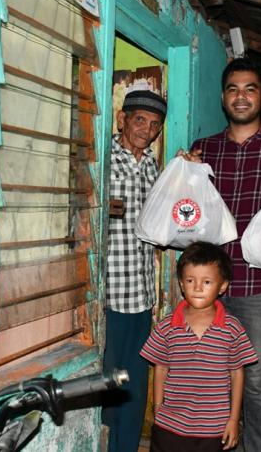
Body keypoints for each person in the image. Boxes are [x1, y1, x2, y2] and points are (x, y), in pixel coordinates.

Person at [185, 57, 261, 451]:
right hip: (207, 284)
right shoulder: (203, 149)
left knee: (253, 376)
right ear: (223, 98)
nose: (241, 97)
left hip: (259, 284)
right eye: (233, 89)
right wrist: (183, 171)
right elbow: (187, 210)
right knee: (210, 374)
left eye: (250, 89)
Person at [140, 241, 258, 452]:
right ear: (181, 284)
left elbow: (237, 374)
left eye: (207, 282)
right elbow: (161, 368)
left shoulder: (232, 328)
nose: (197, 288)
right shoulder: (167, 326)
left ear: (222, 286)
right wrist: (157, 408)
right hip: (170, 425)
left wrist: (233, 420)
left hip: (213, 428)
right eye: (190, 280)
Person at [103, 89, 167, 452]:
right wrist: (100, 207)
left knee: (134, 387)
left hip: (141, 296)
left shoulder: (153, 166)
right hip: (109, 295)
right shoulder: (104, 159)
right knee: (105, 387)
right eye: (139, 119)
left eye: (154, 124)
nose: (146, 129)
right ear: (122, 119)